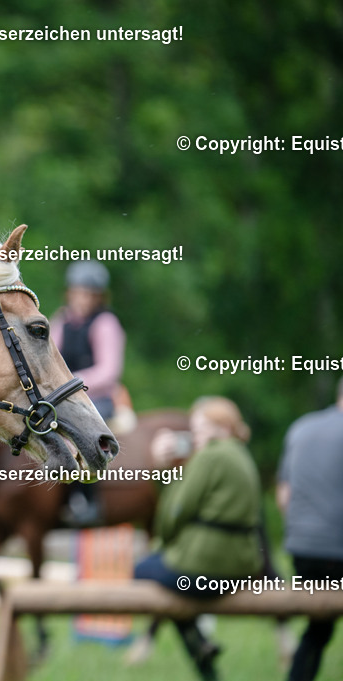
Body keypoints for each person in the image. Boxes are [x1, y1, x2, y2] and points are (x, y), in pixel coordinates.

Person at [134, 396, 264, 681]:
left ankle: (201, 651)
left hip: (208, 568)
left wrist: (161, 468)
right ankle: (202, 648)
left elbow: (172, 515)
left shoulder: (210, 457)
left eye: (203, 428)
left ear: (224, 428)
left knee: (142, 570)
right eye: (194, 429)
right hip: (243, 565)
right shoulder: (241, 454)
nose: (196, 436)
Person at [277, 376, 343, 681]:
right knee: (321, 625)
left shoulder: (301, 427)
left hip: (303, 548)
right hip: (337, 548)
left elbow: (283, 497)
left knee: (319, 626)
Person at [52, 261, 125, 524]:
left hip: (98, 398)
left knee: (84, 436)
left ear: (98, 296)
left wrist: (71, 383)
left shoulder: (106, 323)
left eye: (89, 293)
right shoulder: (61, 321)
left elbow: (109, 371)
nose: (83, 298)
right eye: (79, 292)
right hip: (64, 398)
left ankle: (86, 500)